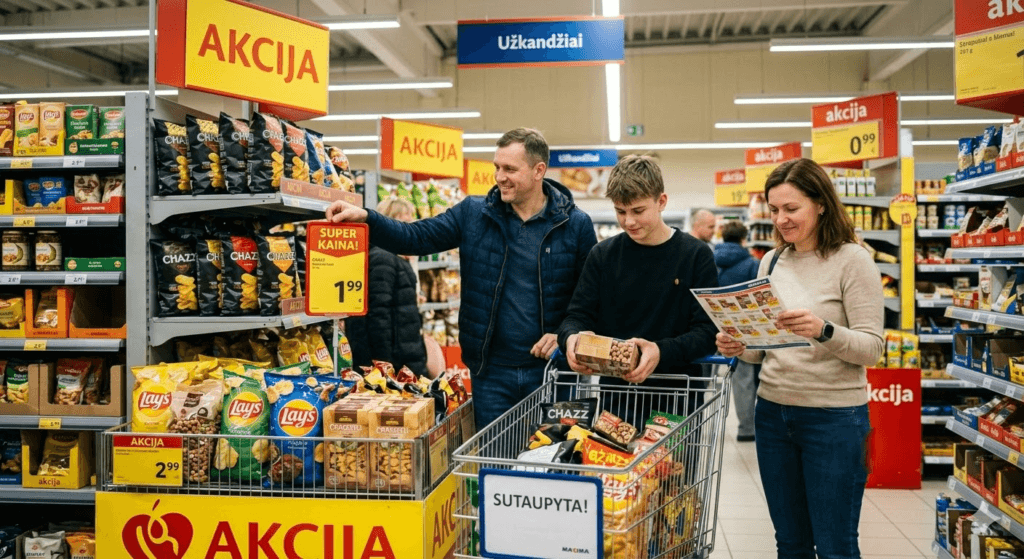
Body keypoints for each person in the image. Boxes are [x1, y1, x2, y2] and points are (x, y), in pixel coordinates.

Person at [325, 128, 597, 430]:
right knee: (495, 466)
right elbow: (416, 236)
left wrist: (564, 332)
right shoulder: (473, 213)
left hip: (555, 373)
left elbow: (591, 296)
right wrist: (368, 218)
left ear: (538, 171)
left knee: (555, 464)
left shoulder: (576, 225)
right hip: (491, 374)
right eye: (497, 167)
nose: (500, 176)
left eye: (509, 169)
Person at [716, 158, 884, 559]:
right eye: (774, 210)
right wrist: (741, 344)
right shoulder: (772, 261)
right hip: (773, 415)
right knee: (789, 543)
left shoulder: (852, 260)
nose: (781, 220)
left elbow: (872, 348)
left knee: (834, 545)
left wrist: (822, 329)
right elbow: (762, 350)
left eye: (791, 209)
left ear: (821, 204)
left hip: (834, 420)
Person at [556, 154, 719, 425]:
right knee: (614, 468)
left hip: (677, 399)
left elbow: (706, 331)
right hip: (616, 399)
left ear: (661, 202)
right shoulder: (603, 255)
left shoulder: (695, 255)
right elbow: (576, 316)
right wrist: (571, 338)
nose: (629, 221)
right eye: (621, 211)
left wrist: (660, 351)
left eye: (638, 211)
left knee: (671, 469)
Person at [345, 197, 428, 377]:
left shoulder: (394, 257)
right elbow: (378, 317)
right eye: (403, 221)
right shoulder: (384, 259)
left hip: (402, 357)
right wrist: (384, 368)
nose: (408, 229)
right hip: (394, 364)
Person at [713, 221, 761, 442]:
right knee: (744, 378)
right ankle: (746, 427)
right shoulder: (752, 264)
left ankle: (710, 421)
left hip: (715, 326)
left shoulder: (712, 262)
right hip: (744, 327)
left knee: (715, 377)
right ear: (744, 238)